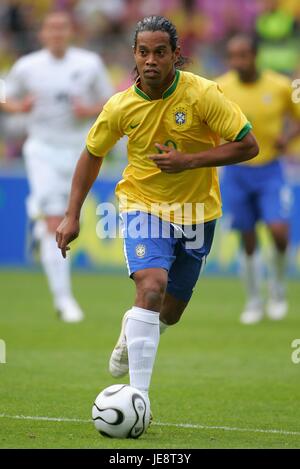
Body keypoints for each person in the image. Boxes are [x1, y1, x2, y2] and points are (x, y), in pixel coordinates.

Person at [56, 16, 258, 411]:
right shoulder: (120, 105)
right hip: (142, 205)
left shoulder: (203, 94)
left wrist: (190, 161)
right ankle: (139, 400)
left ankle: (133, 334)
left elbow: (248, 146)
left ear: (175, 55)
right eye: (143, 52)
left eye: (160, 52)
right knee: (150, 287)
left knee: (171, 311)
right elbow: (92, 154)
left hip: (198, 212)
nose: (151, 60)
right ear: (134, 55)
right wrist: (71, 214)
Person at [2, 11, 114, 322]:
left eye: (62, 28)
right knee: (56, 220)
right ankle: (65, 301)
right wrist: (18, 106)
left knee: (66, 218)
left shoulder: (89, 63)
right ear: (42, 34)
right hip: (42, 148)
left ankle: (41, 225)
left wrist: (87, 109)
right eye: (50, 28)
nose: (56, 33)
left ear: (70, 32)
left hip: (79, 150)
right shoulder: (28, 66)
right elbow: (3, 94)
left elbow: (111, 102)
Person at [216, 35, 300, 324]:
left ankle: (277, 288)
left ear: (255, 56)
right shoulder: (220, 87)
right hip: (236, 171)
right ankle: (253, 300)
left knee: (279, 232)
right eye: (233, 56)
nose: (238, 62)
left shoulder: (280, 86)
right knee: (247, 238)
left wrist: (287, 137)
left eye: (243, 56)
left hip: (271, 169)